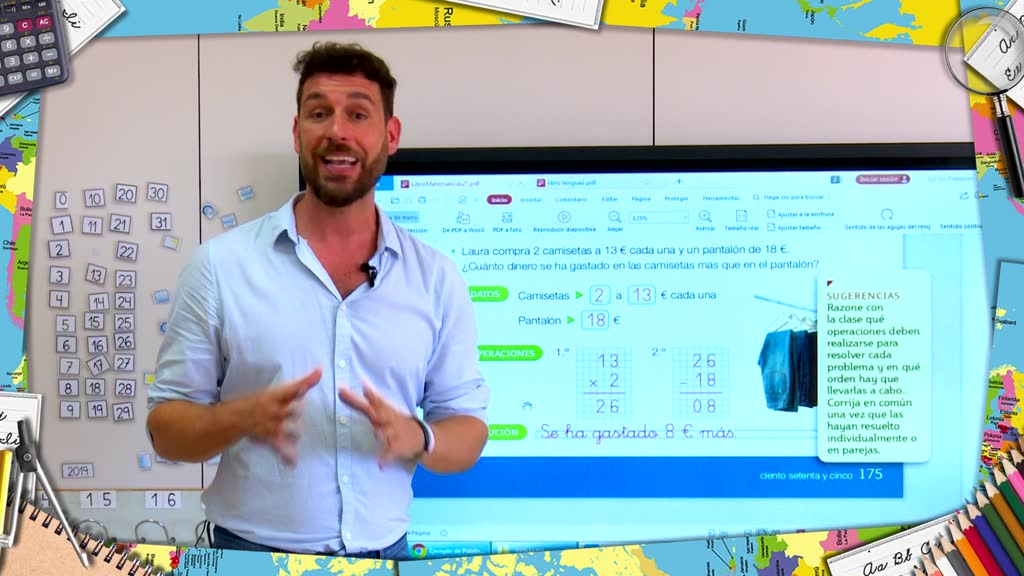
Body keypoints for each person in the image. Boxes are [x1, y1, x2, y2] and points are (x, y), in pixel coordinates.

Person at [145, 41, 491, 560]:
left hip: (387, 554)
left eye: (358, 114)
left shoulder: (436, 278)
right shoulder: (219, 267)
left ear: (391, 135)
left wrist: (420, 438)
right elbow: (165, 431)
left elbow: (468, 428)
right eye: (319, 113)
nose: (337, 131)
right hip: (249, 557)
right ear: (297, 133)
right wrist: (237, 418)